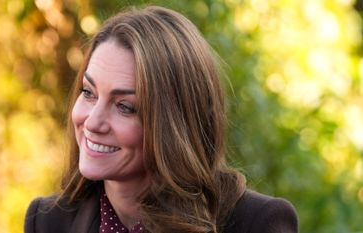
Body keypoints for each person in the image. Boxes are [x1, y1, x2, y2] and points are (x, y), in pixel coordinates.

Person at [24, 6, 298, 233]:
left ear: (175, 123)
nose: (93, 122)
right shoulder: (47, 221)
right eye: (88, 92)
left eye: (125, 107)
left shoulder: (258, 223)